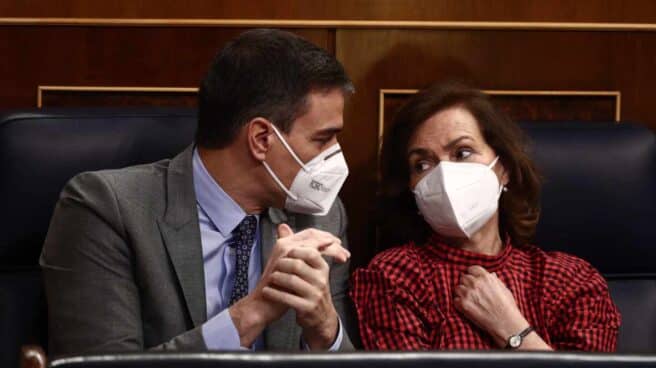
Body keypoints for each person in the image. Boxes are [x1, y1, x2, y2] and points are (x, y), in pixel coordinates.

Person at [41, 28, 358, 354]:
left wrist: (325, 331)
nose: (335, 155)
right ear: (262, 139)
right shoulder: (106, 209)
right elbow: (101, 366)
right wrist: (253, 312)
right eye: (322, 139)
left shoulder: (321, 219)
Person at [350, 82, 620, 351]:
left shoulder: (570, 280)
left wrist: (512, 329)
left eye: (462, 153)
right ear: (411, 188)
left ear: (503, 169)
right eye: (422, 164)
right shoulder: (395, 278)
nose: (444, 174)